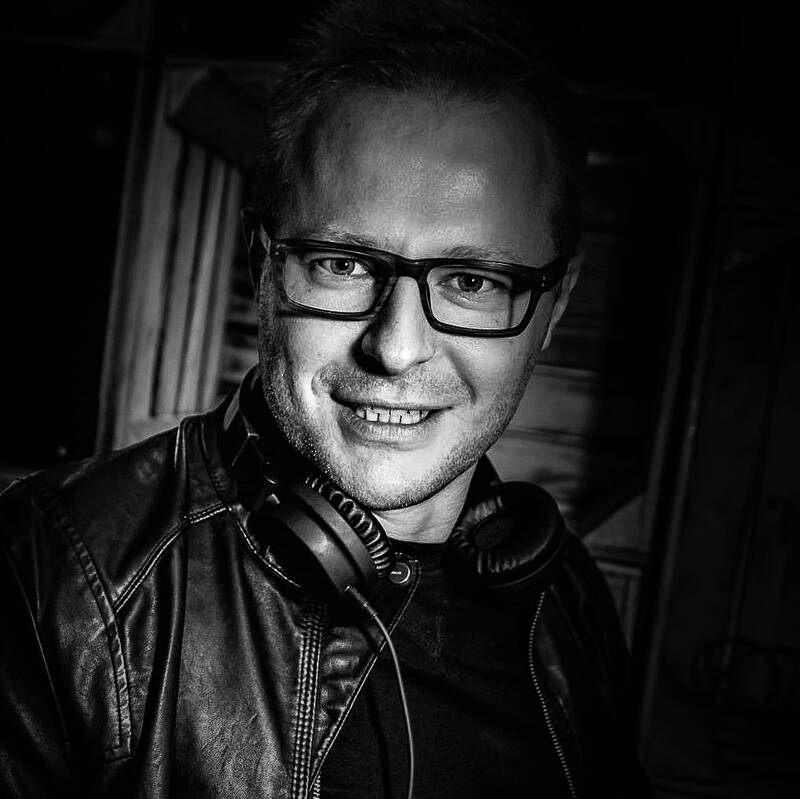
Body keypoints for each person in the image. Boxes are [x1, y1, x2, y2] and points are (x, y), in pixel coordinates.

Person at [0, 1, 651, 797]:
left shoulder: (570, 601)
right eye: (344, 265)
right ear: (263, 266)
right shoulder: (50, 575)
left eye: (473, 280)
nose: (396, 347)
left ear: (554, 305)